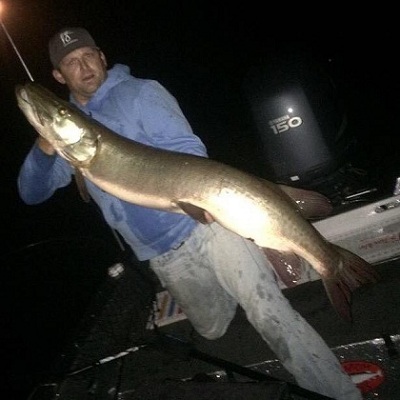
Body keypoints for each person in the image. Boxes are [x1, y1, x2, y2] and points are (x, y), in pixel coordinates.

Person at [17, 27, 362, 400]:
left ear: (102, 57)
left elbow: (188, 149)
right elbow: (31, 193)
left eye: (88, 56)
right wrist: (45, 146)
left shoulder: (140, 93)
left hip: (207, 226)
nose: (84, 66)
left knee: (268, 311)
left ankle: (339, 393)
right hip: (161, 253)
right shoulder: (73, 139)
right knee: (211, 328)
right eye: (71, 62)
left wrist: (197, 197)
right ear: (59, 76)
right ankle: (242, 280)